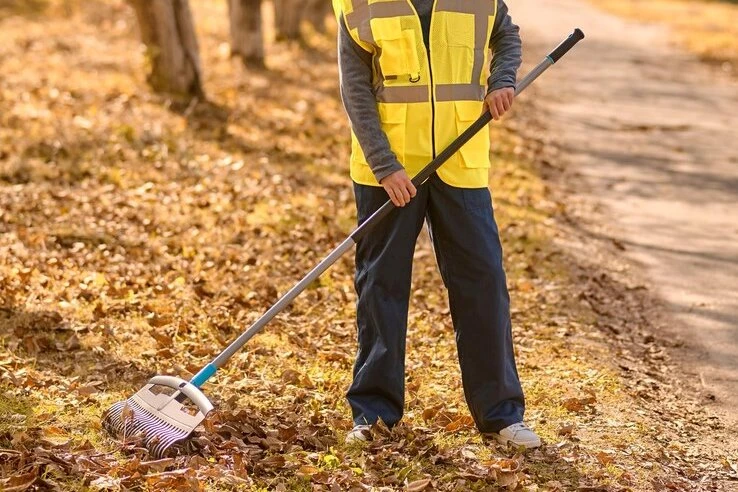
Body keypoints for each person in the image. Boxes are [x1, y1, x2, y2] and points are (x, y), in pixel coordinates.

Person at [333, 0, 541, 449]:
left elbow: (506, 34)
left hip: (460, 161)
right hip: (389, 172)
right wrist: (385, 165)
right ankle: (373, 415)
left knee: (483, 283)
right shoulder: (359, 3)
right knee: (380, 287)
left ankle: (501, 415)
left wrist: (502, 79)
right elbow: (355, 88)